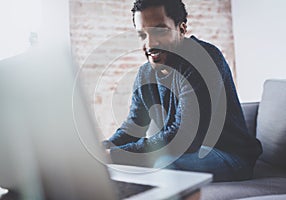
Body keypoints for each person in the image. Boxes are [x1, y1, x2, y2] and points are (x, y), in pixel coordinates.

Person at [103, 0, 262, 182]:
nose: (150, 43)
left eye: (160, 31)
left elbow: (184, 137)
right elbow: (133, 127)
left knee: (163, 163)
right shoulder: (144, 74)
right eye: (142, 34)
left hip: (231, 157)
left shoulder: (204, 59)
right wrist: (103, 149)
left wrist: (115, 155)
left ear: (182, 29)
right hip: (188, 154)